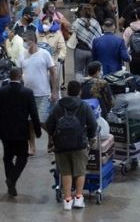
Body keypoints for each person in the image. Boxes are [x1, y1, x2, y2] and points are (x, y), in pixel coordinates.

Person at [46, 80, 97, 210]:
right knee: (80, 170)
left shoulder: (58, 106)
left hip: (61, 144)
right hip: (79, 144)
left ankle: (67, 200)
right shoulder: (84, 106)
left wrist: (53, 136)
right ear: (80, 91)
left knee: (65, 171)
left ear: (67, 91)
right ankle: (79, 198)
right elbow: (93, 124)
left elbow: (49, 123)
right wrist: (90, 136)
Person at [0, 67, 41, 197]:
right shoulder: (27, 92)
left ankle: (11, 183)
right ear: (20, 76)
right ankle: (12, 179)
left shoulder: (1, 91)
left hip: (4, 131)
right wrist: (38, 130)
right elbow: (34, 113)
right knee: (22, 157)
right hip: (21, 131)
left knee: (7, 157)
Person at [20, 30, 58, 155]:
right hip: (27, 95)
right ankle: (32, 148)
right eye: (24, 41)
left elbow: (53, 73)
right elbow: (20, 74)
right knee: (29, 122)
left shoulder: (44, 54)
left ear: (34, 41)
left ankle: (52, 136)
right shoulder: (22, 54)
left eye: (27, 41)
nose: (25, 44)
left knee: (42, 121)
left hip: (42, 93)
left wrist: (54, 91)